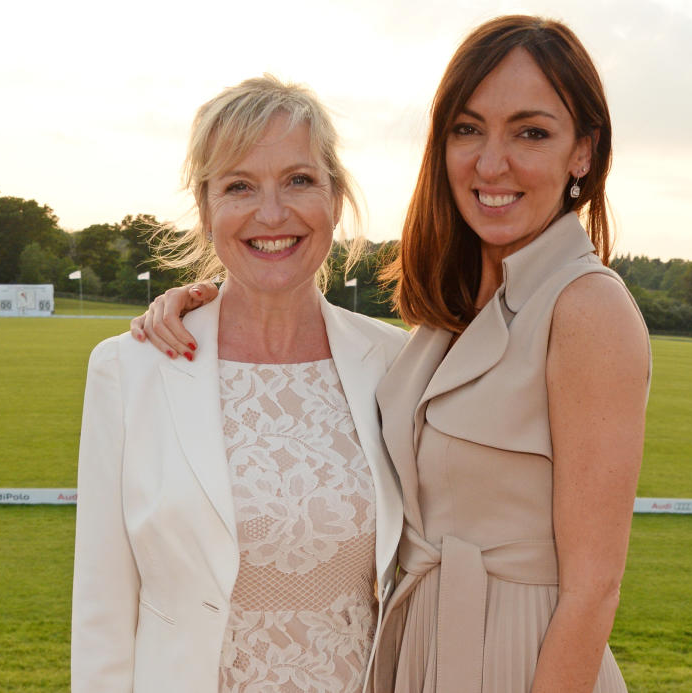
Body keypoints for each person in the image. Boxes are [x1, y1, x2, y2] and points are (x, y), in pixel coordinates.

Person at [131, 15, 650, 693]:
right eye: (468, 129)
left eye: (531, 132)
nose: (491, 163)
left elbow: (595, 588)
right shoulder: (452, 312)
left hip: (524, 661)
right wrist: (208, 302)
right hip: (419, 648)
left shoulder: (588, 309)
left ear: (582, 151)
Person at [72, 76, 408, 692]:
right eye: (239, 187)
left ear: (335, 198)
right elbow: (102, 605)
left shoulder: (397, 364)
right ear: (206, 211)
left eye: (300, 180)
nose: (272, 213)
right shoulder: (129, 370)